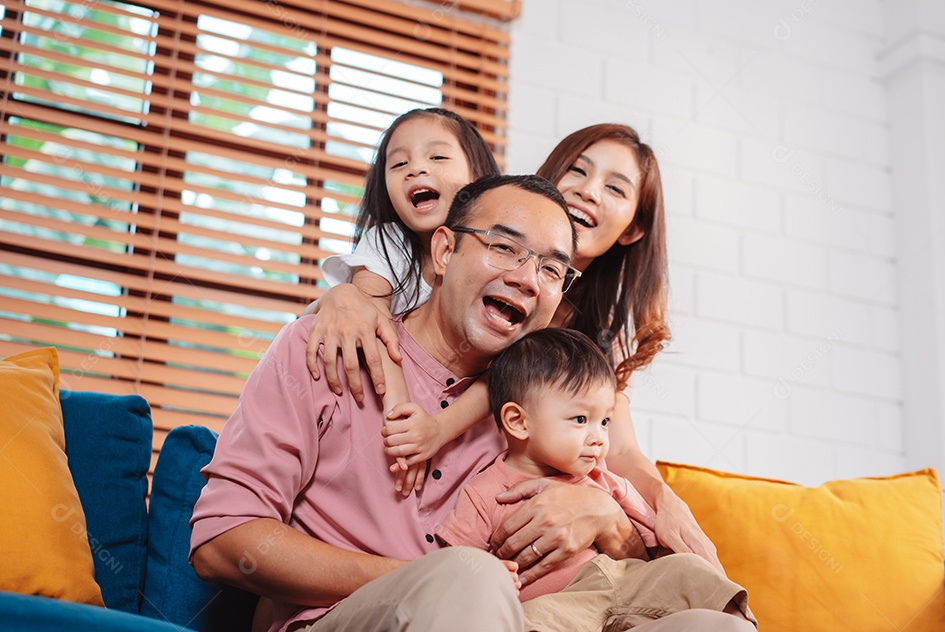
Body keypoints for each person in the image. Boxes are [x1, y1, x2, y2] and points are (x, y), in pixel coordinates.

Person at [191, 175, 650, 632]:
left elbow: (639, 574)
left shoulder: (551, 414)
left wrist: (609, 521)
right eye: (504, 247)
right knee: (471, 577)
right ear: (445, 252)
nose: (528, 279)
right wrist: (420, 579)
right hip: (338, 622)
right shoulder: (323, 346)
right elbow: (222, 541)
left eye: (551, 269)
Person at [308, 123, 719, 566]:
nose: (589, 192)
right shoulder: (461, 266)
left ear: (633, 228)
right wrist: (342, 295)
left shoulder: (597, 333)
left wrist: (664, 500)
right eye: (577, 171)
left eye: (615, 188)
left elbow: (618, 448)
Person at [436, 328, 756, 632]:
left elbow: (648, 554)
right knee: (530, 620)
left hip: (624, 582)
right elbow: (456, 566)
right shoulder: (484, 493)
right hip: (559, 605)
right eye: (580, 419)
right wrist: (491, 574)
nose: (599, 438)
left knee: (688, 570)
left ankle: (741, 622)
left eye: (604, 421)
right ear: (519, 422)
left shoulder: (604, 481)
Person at [307, 107, 500, 493]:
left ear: (477, 179)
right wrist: (401, 419)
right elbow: (372, 317)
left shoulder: (495, 261)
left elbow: (508, 373)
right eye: (398, 164)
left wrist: (437, 430)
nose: (415, 169)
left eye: (437, 156)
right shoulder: (388, 242)